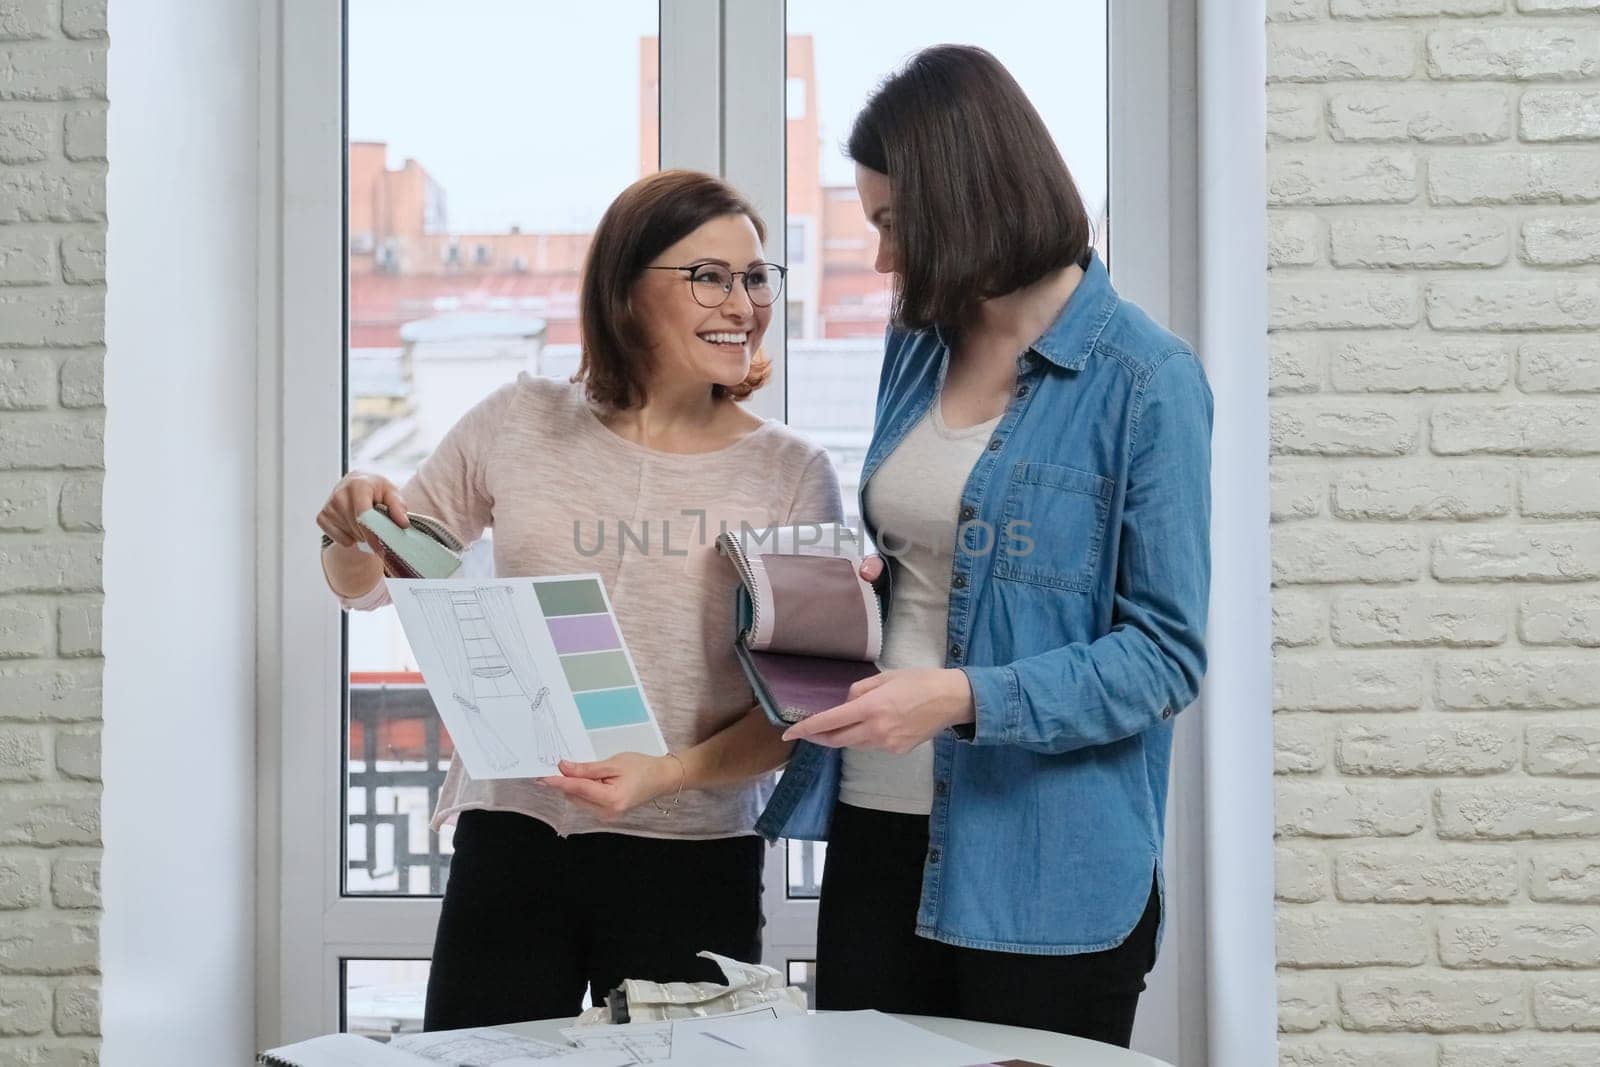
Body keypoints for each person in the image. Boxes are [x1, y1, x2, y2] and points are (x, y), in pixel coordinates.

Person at [760, 46, 1213, 1047]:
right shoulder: (916, 339)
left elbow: (1166, 656)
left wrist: (963, 697)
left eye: (890, 223)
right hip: (877, 826)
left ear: (964, 198)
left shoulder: (1144, 379)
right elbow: (926, 558)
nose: (880, 258)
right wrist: (848, 582)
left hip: (1046, 868)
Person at [317, 170, 843, 1030]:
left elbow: (803, 711)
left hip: (692, 851)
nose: (744, 303)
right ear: (625, 292)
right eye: (709, 276)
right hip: (514, 837)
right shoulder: (519, 419)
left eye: (755, 278)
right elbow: (375, 584)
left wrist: (666, 775)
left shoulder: (792, 473)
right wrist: (347, 535)